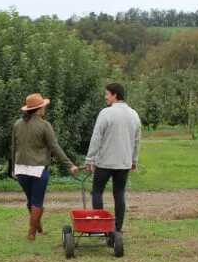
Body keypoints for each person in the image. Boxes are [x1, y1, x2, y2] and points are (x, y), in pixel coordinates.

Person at [11, 93, 79, 240]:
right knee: (37, 201)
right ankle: (31, 233)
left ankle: (36, 225)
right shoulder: (44, 125)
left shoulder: (17, 124)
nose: (44, 108)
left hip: (21, 168)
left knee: (30, 199)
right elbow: (54, 147)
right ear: (38, 110)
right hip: (39, 169)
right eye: (43, 106)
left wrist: (13, 168)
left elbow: (14, 147)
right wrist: (70, 165)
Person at [84, 82, 141, 235]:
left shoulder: (106, 113)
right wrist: (134, 160)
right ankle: (117, 229)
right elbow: (137, 140)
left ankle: (100, 227)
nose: (105, 97)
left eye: (107, 94)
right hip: (124, 162)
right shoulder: (134, 114)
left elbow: (96, 137)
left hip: (105, 162)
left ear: (115, 95)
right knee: (119, 194)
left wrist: (90, 159)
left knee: (97, 192)